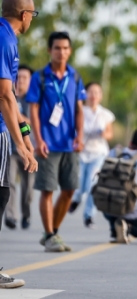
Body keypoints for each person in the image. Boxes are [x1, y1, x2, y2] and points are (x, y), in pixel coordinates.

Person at [28, 31, 84, 253]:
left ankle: (53, 231)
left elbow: (80, 109)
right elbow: (32, 109)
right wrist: (38, 139)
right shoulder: (40, 78)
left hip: (69, 143)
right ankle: (50, 234)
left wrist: (80, 134)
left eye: (65, 48)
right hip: (47, 144)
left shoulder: (75, 77)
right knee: (48, 190)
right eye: (57, 48)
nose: (61, 52)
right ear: (49, 50)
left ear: (70, 51)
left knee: (70, 189)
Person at [0, 0, 38, 289]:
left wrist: (25, 137)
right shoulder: (4, 38)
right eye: (33, 14)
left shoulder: (6, 36)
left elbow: (12, 100)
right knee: (1, 196)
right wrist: (19, 143)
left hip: (7, 128)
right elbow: (4, 96)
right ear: (24, 15)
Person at [69, 82, 114, 228]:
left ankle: (89, 215)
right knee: (80, 182)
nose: (93, 95)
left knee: (91, 185)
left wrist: (103, 134)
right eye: (91, 92)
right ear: (85, 94)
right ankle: (76, 199)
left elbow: (109, 133)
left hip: (98, 154)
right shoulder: (79, 111)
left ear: (100, 95)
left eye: (97, 92)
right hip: (81, 153)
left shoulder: (105, 114)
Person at [5, 65, 34, 230]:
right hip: (11, 148)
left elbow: (34, 123)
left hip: (29, 150)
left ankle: (26, 215)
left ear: (30, 80)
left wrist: (16, 115)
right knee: (9, 182)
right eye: (18, 77)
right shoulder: (7, 95)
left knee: (28, 187)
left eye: (24, 77)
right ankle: (11, 216)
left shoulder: (34, 100)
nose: (20, 80)